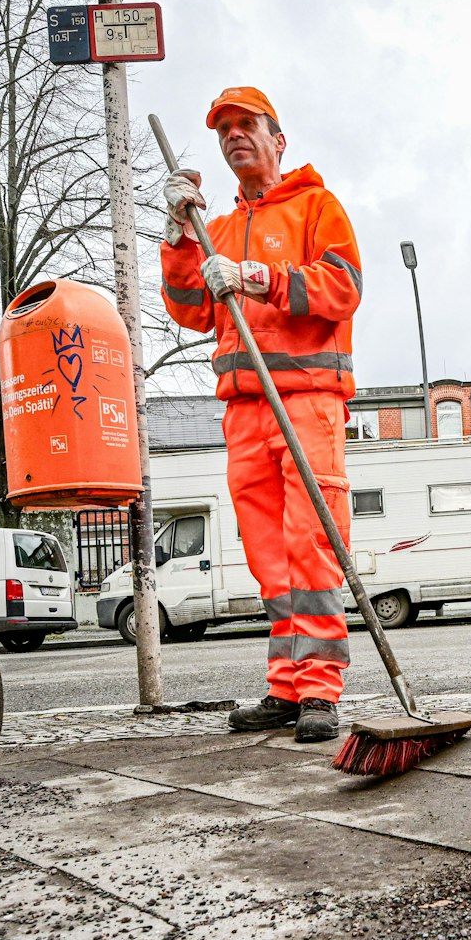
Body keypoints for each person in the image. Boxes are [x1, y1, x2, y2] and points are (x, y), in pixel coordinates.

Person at [161, 86, 364, 743]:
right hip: (245, 413)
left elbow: (344, 288)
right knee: (269, 558)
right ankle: (286, 687)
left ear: (279, 139)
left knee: (311, 549)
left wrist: (257, 278)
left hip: (306, 404)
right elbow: (189, 307)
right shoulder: (216, 229)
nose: (233, 138)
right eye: (224, 131)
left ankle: (321, 694)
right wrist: (177, 236)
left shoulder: (317, 207)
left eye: (247, 126)